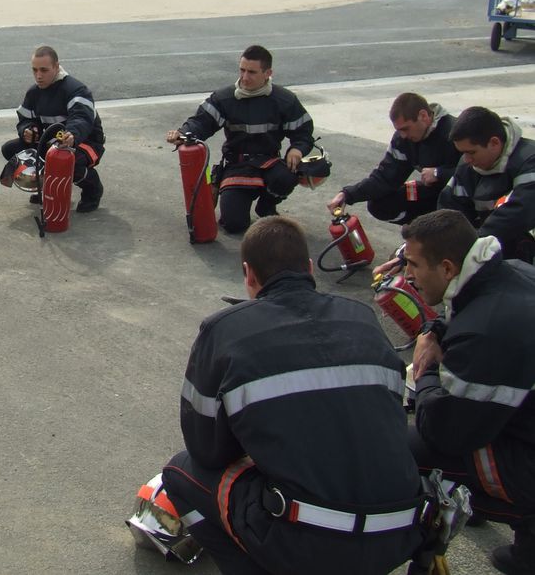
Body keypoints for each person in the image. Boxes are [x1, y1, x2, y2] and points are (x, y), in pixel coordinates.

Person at [159, 216, 424, 575]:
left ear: (248, 274)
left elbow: (207, 449)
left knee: (179, 472)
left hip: (308, 546)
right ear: (311, 268)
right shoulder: (362, 318)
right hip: (400, 534)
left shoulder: (224, 330)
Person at [402, 209, 535, 574]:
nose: (407, 275)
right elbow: (456, 314)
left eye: (413, 264)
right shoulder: (510, 273)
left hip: (526, 461)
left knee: (405, 453)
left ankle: (424, 553)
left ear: (447, 268)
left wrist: (425, 371)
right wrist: (434, 331)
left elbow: (445, 433)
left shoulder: (487, 333)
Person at [166, 44, 315, 234]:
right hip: (237, 167)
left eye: (252, 72)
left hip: (269, 163)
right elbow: (201, 123)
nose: (245, 77)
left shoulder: (284, 100)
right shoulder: (224, 98)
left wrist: (297, 149)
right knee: (234, 224)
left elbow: (303, 132)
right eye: (242, 70)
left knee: (287, 176)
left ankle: (266, 206)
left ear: (268, 73)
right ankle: (225, 190)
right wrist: (183, 133)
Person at [0, 45, 105, 212]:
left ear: (56, 67)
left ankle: (92, 188)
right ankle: (43, 186)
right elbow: (25, 119)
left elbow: (81, 119)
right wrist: (28, 130)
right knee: (10, 149)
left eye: (44, 70)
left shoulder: (76, 90)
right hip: (51, 143)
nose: (38, 76)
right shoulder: (34, 92)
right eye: (34, 70)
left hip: (85, 143)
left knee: (65, 161)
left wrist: (72, 135)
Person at [327, 93, 459, 225]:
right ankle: (422, 231)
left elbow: (475, 174)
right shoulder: (403, 140)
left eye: (406, 129)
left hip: (460, 197)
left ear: (423, 116)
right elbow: (385, 178)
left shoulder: (455, 132)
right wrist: (347, 194)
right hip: (431, 193)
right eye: (399, 130)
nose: (403, 135)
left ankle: (446, 233)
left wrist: (439, 173)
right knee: (379, 204)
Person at [439, 106, 535, 262]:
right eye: (463, 153)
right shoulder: (467, 168)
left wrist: (472, 244)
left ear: (494, 142)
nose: (467, 159)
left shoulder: (529, 160)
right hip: (491, 242)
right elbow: (449, 208)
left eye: (471, 152)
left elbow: (519, 214)